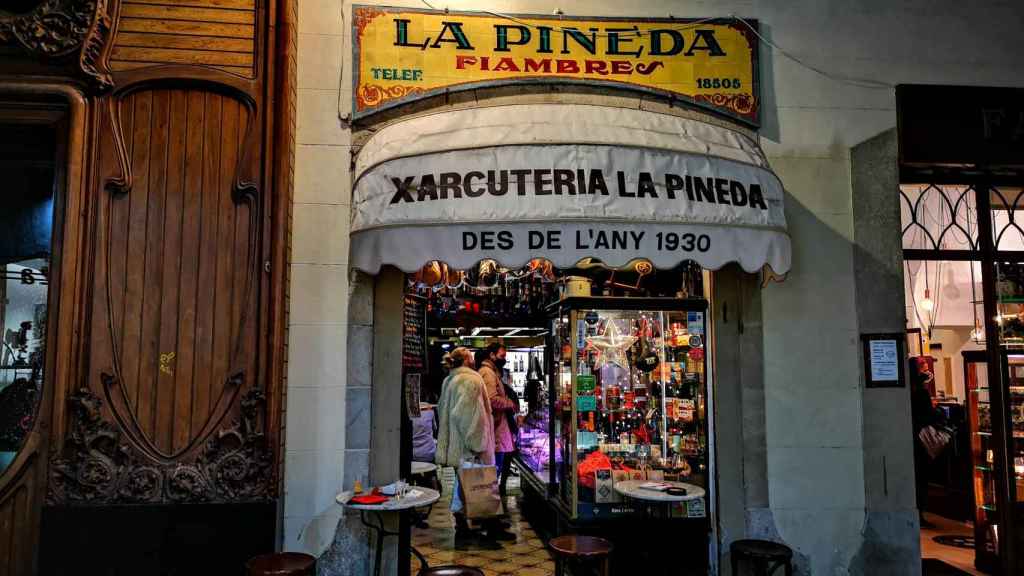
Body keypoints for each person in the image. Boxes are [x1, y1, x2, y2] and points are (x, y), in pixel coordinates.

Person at [434, 347, 500, 548]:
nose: (473, 358)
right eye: (469, 355)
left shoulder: (450, 380)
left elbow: (443, 410)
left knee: (462, 489)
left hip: (456, 447)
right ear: (465, 360)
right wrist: (477, 443)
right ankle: (484, 532)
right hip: (469, 449)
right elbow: (466, 415)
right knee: (479, 488)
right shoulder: (469, 380)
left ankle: (466, 530)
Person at [477, 343, 518, 531]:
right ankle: (489, 519)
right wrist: (510, 403)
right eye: (502, 355)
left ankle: (490, 517)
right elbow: (492, 399)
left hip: (498, 430)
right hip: (496, 431)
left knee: (495, 474)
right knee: (493, 475)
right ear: (492, 355)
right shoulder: (488, 373)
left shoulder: (491, 371)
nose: (505, 358)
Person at [909, 359, 939, 528]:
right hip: (921, 438)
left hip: (912, 437)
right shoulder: (920, 392)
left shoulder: (908, 389)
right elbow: (928, 415)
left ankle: (917, 511)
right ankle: (919, 512)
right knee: (921, 477)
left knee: (916, 477)